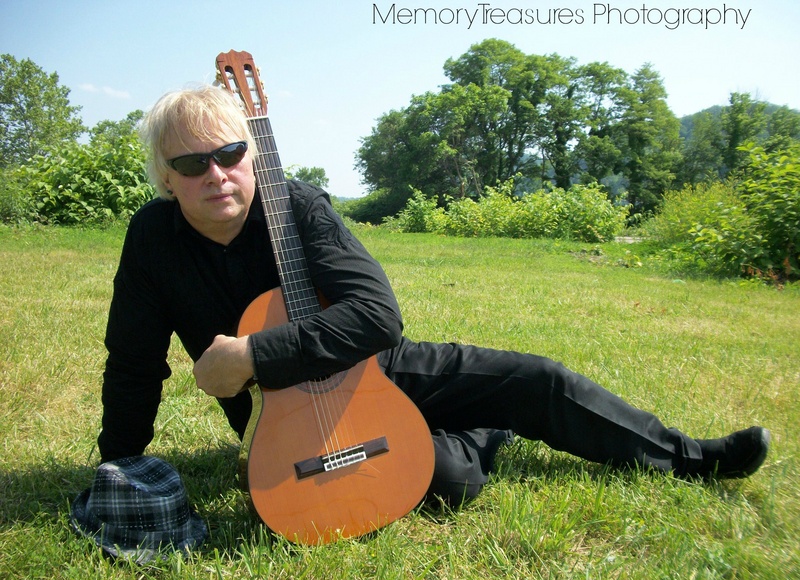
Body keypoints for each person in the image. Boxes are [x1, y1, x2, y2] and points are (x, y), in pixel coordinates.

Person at [97, 85, 770, 510]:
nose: (214, 173)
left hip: (377, 366)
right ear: (166, 175)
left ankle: (691, 458)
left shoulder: (297, 204)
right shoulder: (152, 239)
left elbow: (378, 317)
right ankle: (483, 432)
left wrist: (252, 352)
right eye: (190, 164)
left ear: (251, 155)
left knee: (540, 379)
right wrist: (119, 468)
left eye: (228, 153)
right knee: (448, 481)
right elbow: (132, 363)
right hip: (284, 417)